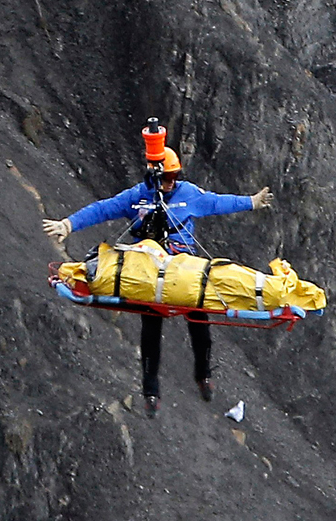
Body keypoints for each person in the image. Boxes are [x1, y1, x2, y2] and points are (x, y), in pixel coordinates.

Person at [42, 119, 273, 418]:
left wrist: (251, 203)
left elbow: (217, 203)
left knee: (199, 322)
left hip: (184, 267)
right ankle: (151, 391)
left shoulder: (188, 194)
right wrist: (68, 224)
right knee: (151, 329)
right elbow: (103, 209)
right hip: (148, 271)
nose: (171, 183)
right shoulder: (138, 196)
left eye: (174, 177)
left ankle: (203, 374)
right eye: (167, 177)